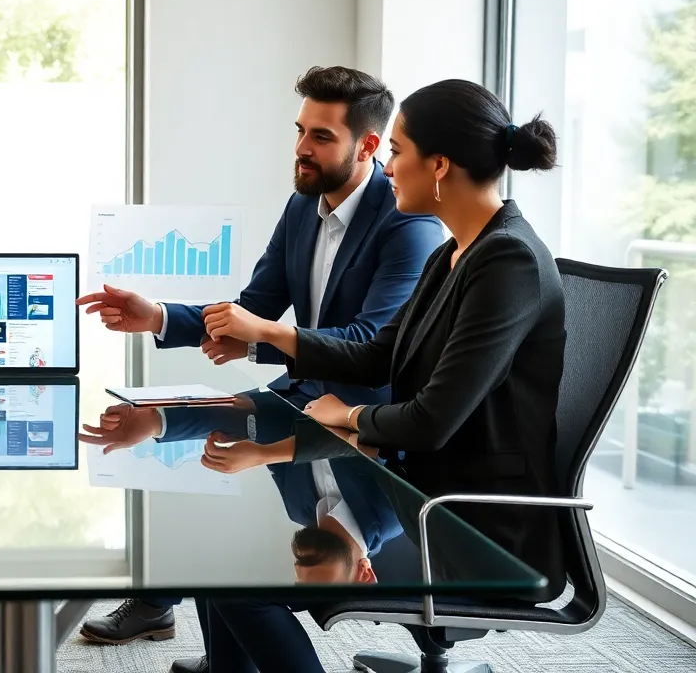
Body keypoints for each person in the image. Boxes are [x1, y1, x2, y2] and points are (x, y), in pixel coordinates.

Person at [75, 66, 445, 666]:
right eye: (301, 130)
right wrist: (160, 316)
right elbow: (256, 309)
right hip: (302, 401)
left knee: (231, 555)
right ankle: (206, 640)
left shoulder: (409, 225)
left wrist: (259, 337)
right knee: (169, 436)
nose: (302, 147)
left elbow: (368, 344)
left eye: (321, 136)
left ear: (368, 146)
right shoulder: (304, 207)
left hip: (366, 425)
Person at [199, 79, 565, 672]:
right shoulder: (458, 253)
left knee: (239, 585)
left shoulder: (508, 261)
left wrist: (348, 415)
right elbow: (378, 357)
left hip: (472, 525)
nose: (387, 167)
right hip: (420, 489)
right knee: (220, 562)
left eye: (396, 151)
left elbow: (432, 420)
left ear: (439, 165)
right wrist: (268, 334)